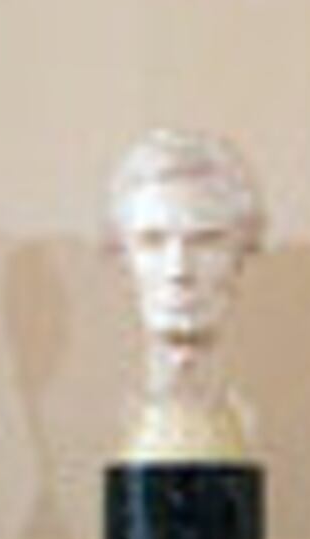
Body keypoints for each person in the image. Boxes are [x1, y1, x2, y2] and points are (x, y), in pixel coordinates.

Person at [105, 127, 267, 462]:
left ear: (243, 253)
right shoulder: (127, 415)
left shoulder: (240, 420)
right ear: (122, 254)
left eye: (206, 242)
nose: (178, 270)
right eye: (152, 242)